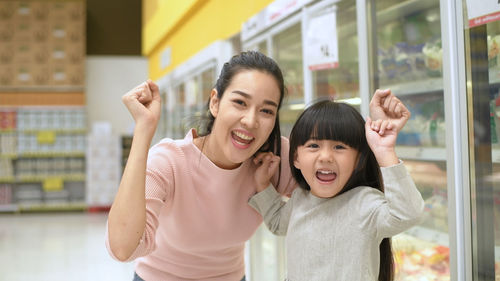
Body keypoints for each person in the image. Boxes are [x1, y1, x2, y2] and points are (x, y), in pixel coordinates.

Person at [105, 50, 404, 281]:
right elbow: (124, 248)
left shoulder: (276, 158)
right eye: (239, 103)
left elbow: (349, 196)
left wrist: (378, 138)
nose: (250, 121)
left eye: (266, 110)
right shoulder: (169, 161)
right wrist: (144, 130)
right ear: (215, 102)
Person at [249, 100, 425, 281]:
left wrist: (385, 151)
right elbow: (278, 223)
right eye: (313, 146)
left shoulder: (364, 202)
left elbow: (408, 213)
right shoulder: (300, 198)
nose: (325, 157)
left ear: (358, 161)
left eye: (339, 147)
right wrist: (263, 184)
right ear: (296, 158)